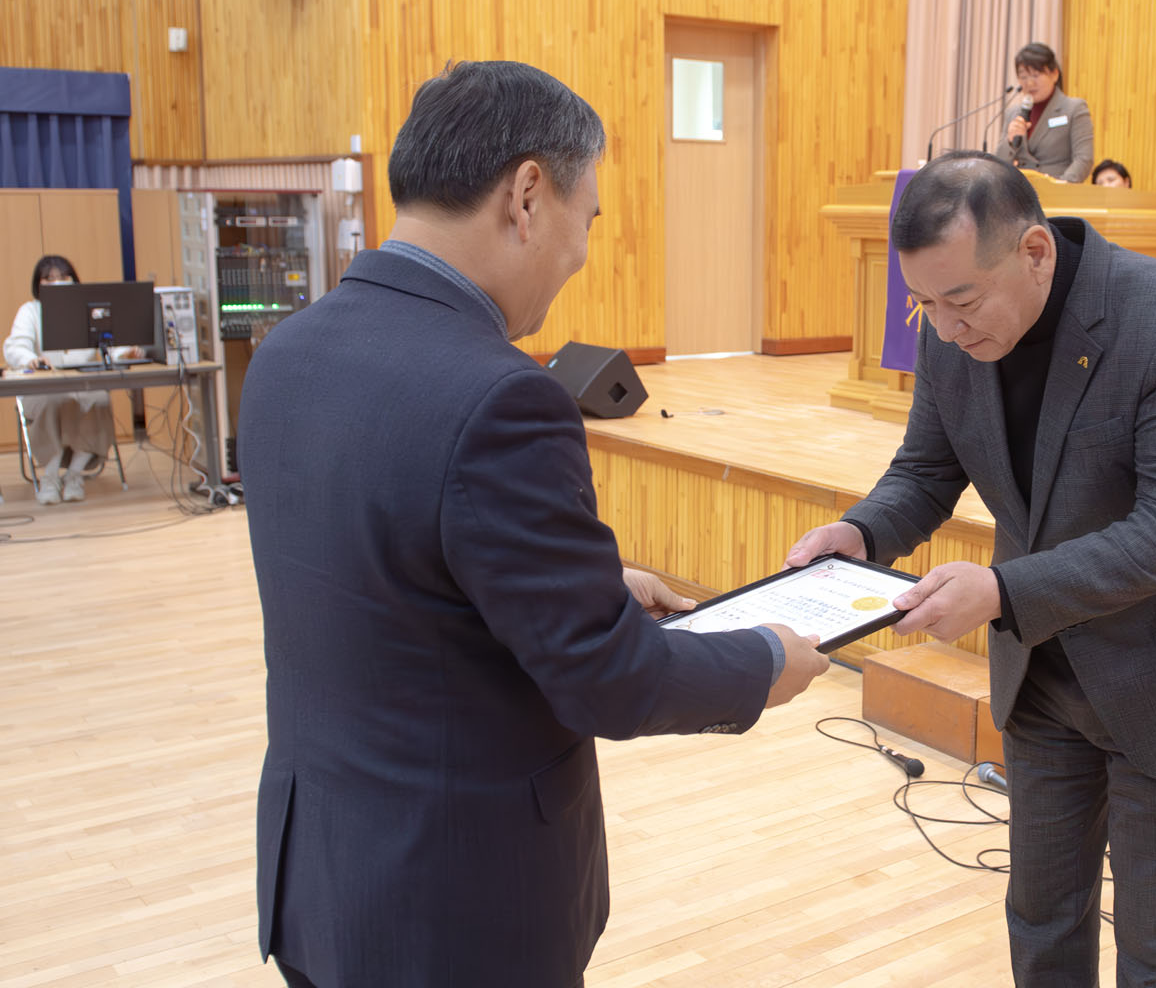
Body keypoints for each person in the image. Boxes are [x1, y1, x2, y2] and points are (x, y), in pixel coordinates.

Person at [237, 61, 829, 988]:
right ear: (526, 196)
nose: (582, 254)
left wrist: (572, 587)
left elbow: (384, 575)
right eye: (586, 218)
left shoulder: (286, 353)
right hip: (458, 909)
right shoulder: (501, 396)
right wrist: (762, 661)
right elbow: (608, 680)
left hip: (321, 877)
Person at [785, 152, 1156, 988]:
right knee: (1042, 919)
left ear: (1035, 251)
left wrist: (1003, 590)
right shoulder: (950, 325)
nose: (946, 329)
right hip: (1045, 674)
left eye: (962, 302)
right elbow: (925, 471)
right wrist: (861, 532)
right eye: (925, 306)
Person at [3, 255, 138, 505]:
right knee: (56, 399)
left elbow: (109, 344)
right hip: (43, 387)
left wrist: (126, 352)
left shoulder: (89, 309)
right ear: (38, 284)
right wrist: (31, 359)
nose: (57, 282)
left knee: (99, 399)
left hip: (83, 385)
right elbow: (15, 346)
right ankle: (50, 476)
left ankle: (75, 474)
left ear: (74, 279)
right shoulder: (30, 311)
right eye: (49, 278)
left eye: (63, 277)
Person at [995, 42, 1094, 183]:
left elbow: (1084, 159)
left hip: (1057, 190)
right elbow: (999, 164)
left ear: (1054, 74)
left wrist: (1060, 187)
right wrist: (1010, 141)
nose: (1029, 83)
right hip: (1021, 191)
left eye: (1036, 75)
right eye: (1023, 77)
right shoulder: (1013, 113)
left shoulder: (1074, 108)